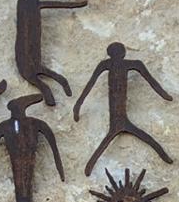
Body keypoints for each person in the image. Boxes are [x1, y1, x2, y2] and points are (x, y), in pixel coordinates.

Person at [73, 41, 173, 174]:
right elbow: (90, 84)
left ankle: (89, 167)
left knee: (116, 138)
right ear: (123, 53)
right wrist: (164, 95)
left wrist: (78, 106)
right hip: (117, 119)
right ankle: (164, 156)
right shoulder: (125, 64)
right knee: (143, 137)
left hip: (119, 118)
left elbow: (89, 85)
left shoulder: (125, 64)